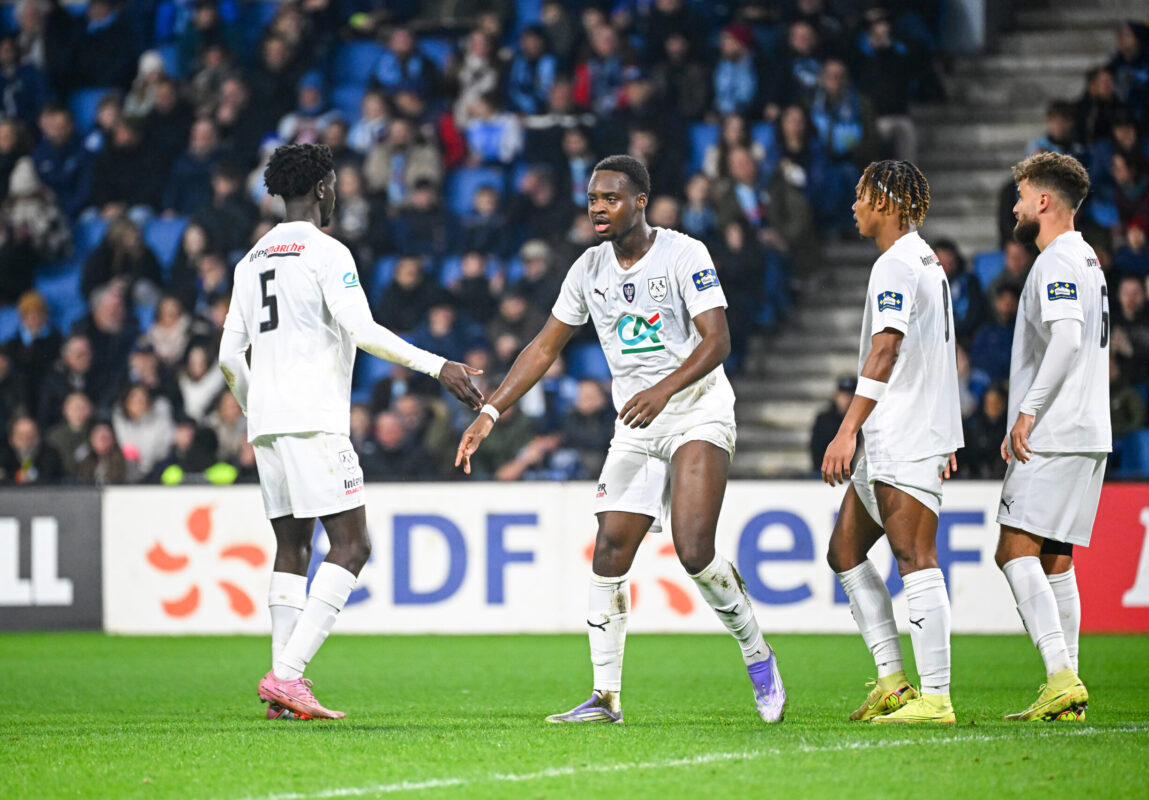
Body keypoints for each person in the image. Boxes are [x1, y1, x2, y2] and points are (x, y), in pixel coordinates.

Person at [455, 156, 786, 725]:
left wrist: (663, 389)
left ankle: (759, 656)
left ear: (639, 202)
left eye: (610, 198)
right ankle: (605, 698)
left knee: (693, 549)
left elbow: (718, 340)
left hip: (696, 413)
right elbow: (542, 347)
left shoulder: (685, 254)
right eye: (592, 200)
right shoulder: (588, 269)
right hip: (635, 424)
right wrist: (491, 410)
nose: (598, 209)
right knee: (609, 549)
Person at [218, 143, 483, 721]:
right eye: (333, 184)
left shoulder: (250, 261)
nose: (337, 193)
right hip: (315, 420)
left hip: (267, 424)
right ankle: (287, 677)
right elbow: (361, 330)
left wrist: (255, 407)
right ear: (320, 189)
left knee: (292, 548)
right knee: (353, 545)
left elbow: (229, 359)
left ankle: (281, 693)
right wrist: (440, 366)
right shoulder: (326, 251)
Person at [822, 159, 962, 724]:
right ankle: (894, 683)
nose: (853, 205)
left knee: (914, 557)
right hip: (902, 429)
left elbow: (887, 348)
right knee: (844, 552)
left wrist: (846, 427)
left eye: (860, 195)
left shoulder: (897, 264)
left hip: (901, 431)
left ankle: (937, 697)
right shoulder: (921, 259)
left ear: (884, 201)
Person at [995, 151, 1109, 722]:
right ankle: (1070, 689)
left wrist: (1027, 414)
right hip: (1087, 430)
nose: (1015, 206)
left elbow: (1065, 340)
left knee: (1013, 550)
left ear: (1044, 201)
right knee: (1055, 558)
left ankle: (1061, 676)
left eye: (1021, 195)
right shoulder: (1088, 259)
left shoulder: (1059, 260)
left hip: (1056, 431)